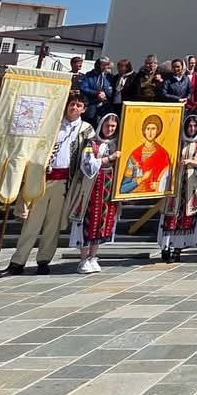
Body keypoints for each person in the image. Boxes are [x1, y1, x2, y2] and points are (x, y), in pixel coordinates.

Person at [7, 95, 95, 276]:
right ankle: (18, 261)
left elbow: (88, 155)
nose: (74, 108)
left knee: (52, 225)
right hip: (43, 179)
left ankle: (44, 260)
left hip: (65, 182)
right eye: (72, 104)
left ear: (84, 109)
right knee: (32, 222)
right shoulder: (53, 124)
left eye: (78, 105)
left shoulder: (86, 129)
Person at [70, 113, 122, 274]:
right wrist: (109, 158)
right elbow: (87, 165)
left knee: (102, 221)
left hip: (108, 186)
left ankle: (93, 257)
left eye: (113, 126)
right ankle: (83, 259)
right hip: (91, 186)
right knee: (89, 220)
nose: (110, 129)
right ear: (101, 125)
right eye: (107, 125)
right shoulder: (91, 143)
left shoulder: (117, 143)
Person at [157, 119, 197, 263]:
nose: (192, 129)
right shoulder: (177, 141)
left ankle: (178, 249)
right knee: (170, 215)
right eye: (189, 126)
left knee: (185, 218)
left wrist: (192, 162)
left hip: (191, 183)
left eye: (195, 126)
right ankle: (166, 247)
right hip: (175, 182)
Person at [119, 112, 174, 197]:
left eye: (153, 129)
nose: (150, 132)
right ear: (144, 130)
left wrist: (159, 185)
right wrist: (141, 179)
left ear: (158, 131)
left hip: (155, 197)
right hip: (134, 197)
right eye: (148, 129)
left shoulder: (164, 154)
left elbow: (168, 181)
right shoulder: (135, 154)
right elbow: (123, 188)